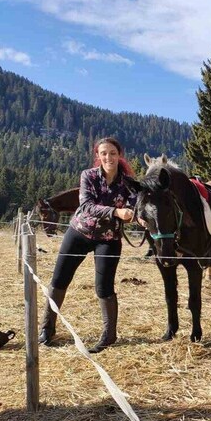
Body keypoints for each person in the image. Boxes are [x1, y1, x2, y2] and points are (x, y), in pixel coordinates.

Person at [39, 137, 137, 353]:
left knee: (104, 287)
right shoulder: (89, 176)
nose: (108, 157)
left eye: (112, 153)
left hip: (109, 239)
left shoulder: (128, 183)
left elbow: (134, 205)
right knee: (59, 279)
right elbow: (86, 206)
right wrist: (116, 211)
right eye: (104, 153)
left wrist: (134, 214)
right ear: (98, 156)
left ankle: (109, 336)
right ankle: (47, 328)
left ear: (119, 155)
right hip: (79, 233)